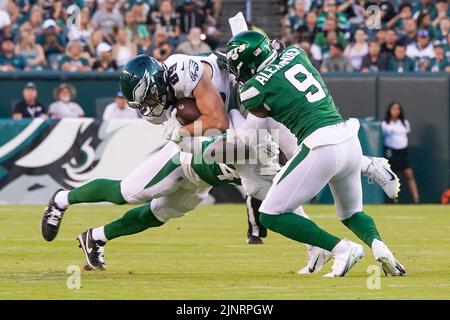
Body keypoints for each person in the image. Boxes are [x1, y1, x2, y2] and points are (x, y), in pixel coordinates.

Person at [226, 31, 405, 277]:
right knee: (352, 213)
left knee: (269, 214)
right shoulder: (296, 52)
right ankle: (380, 246)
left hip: (320, 146)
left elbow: (254, 118)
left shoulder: (254, 88)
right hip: (348, 140)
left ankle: (341, 249)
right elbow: (281, 58)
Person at [381, 102, 419, 204]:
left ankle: (416, 200)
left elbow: (406, 136)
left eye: (398, 109)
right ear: (389, 110)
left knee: (409, 175)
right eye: (393, 109)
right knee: (391, 177)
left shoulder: (404, 123)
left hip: (403, 152)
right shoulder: (385, 124)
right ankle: (393, 200)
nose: (396, 111)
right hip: (391, 152)